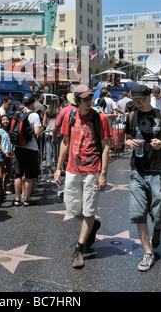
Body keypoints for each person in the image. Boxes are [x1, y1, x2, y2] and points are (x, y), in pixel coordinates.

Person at [54, 85, 112, 269]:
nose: (89, 102)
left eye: (90, 98)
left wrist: (103, 173)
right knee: (72, 208)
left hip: (92, 170)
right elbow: (65, 142)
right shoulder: (70, 116)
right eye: (85, 99)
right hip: (72, 169)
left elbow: (105, 146)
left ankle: (79, 249)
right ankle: (92, 225)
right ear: (77, 101)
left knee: (88, 210)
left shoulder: (99, 117)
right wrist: (57, 168)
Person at [125, 84, 161, 272]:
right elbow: (126, 138)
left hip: (157, 170)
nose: (138, 104)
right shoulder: (131, 116)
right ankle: (147, 253)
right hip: (137, 170)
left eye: (141, 101)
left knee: (159, 211)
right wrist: (129, 142)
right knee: (138, 213)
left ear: (149, 98)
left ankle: (158, 228)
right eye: (135, 101)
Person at [12, 93, 43, 206]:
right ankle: (27, 199)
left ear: (23, 103)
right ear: (33, 103)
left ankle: (16, 199)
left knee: (18, 174)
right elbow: (37, 133)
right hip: (31, 148)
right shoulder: (34, 115)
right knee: (29, 175)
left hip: (18, 147)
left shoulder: (17, 113)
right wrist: (41, 130)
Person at [0, 115, 13, 196]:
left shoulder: (10, 131)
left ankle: (4, 187)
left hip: (9, 154)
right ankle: (1, 189)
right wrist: (4, 152)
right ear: (1, 122)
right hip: (1, 153)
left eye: (7, 119)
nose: (5, 121)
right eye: (3, 120)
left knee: (9, 172)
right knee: (1, 172)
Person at [42, 97, 59, 177]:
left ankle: (49, 171)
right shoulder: (58, 112)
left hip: (47, 133)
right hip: (56, 134)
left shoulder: (46, 111)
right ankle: (57, 169)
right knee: (57, 151)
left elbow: (44, 124)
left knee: (48, 152)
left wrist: (49, 126)